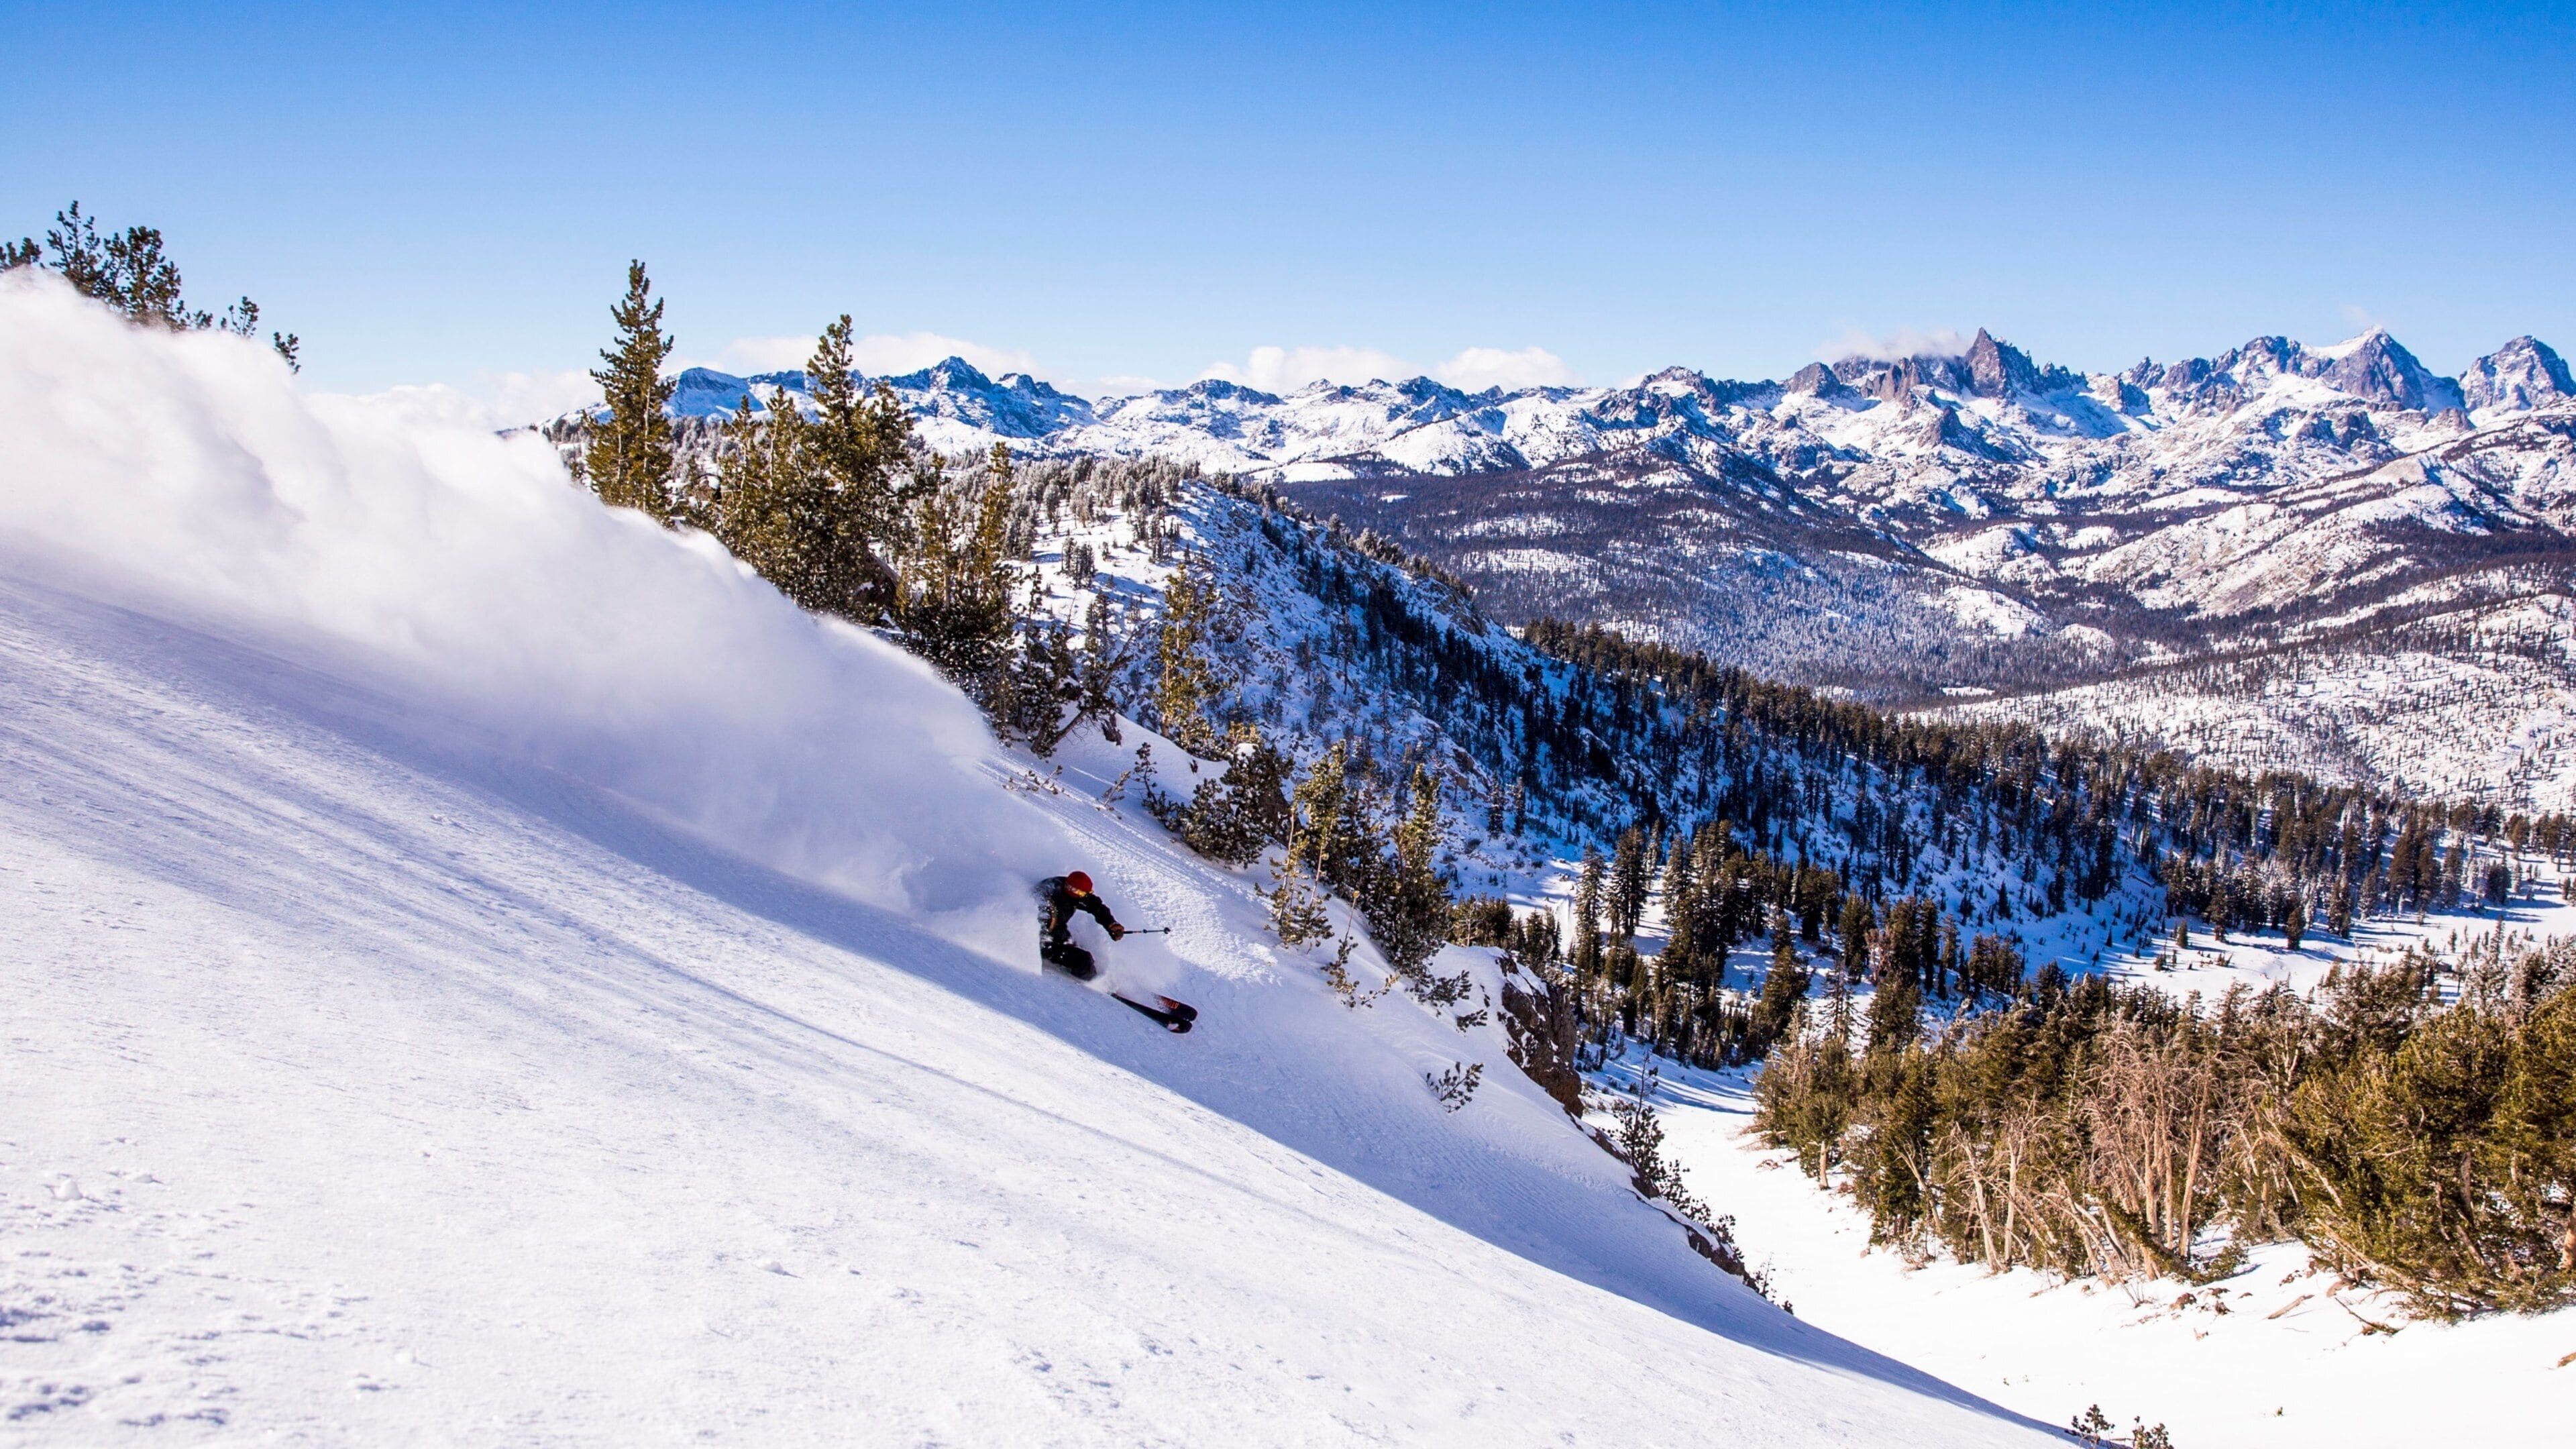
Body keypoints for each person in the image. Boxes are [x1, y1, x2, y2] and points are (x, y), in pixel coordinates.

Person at [1035, 870, 1125, 980]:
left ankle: (1093, 973)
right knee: (1083, 960)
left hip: (1058, 931)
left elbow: (1096, 906)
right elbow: (1043, 928)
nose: (1085, 897)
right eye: (1083, 894)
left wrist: (1111, 924)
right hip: (1043, 941)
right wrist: (1064, 943)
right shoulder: (1049, 896)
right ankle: (1095, 983)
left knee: (1080, 948)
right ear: (1073, 890)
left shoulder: (1073, 892)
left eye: (1087, 893)